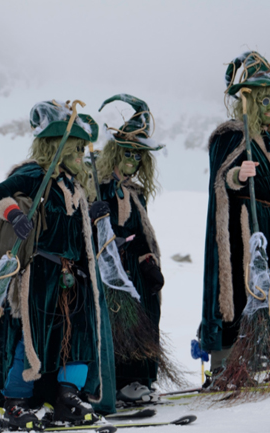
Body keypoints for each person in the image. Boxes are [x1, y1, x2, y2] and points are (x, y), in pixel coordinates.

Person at [0, 100, 116, 429]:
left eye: (81, 147)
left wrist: (92, 214)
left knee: (77, 336)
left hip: (75, 274)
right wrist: (14, 215)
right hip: (42, 272)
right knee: (34, 337)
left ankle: (66, 397)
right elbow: (0, 196)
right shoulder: (34, 174)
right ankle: (15, 402)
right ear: (55, 146)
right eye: (75, 148)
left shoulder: (75, 185)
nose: (80, 154)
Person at [199, 51, 270, 381]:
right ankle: (230, 362)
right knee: (243, 291)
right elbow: (221, 181)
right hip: (243, 228)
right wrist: (237, 176)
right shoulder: (230, 135)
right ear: (250, 101)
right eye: (264, 101)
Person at [95, 94, 168, 403]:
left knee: (147, 315)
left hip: (134, 270)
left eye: (139, 156)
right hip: (108, 270)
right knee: (118, 324)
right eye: (128, 153)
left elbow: (140, 233)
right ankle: (119, 383)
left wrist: (149, 262)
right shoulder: (95, 185)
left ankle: (140, 379)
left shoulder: (135, 193)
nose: (133, 160)